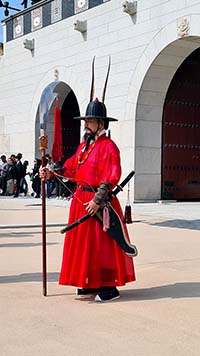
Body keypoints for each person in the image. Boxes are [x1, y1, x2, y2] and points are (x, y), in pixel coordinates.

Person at [40, 58, 137, 302]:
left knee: (101, 246)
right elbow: (70, 168)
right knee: (84, 246)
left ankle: (108, 286)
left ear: (100, 124)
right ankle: (88, 281)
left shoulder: (109, 147)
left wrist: (97, 200)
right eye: (85, 121)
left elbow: (111, 175)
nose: (86, 125)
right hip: (80, 200)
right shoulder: (84, 146)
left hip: (98, 202)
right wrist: (51, 172)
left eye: (90, 121)